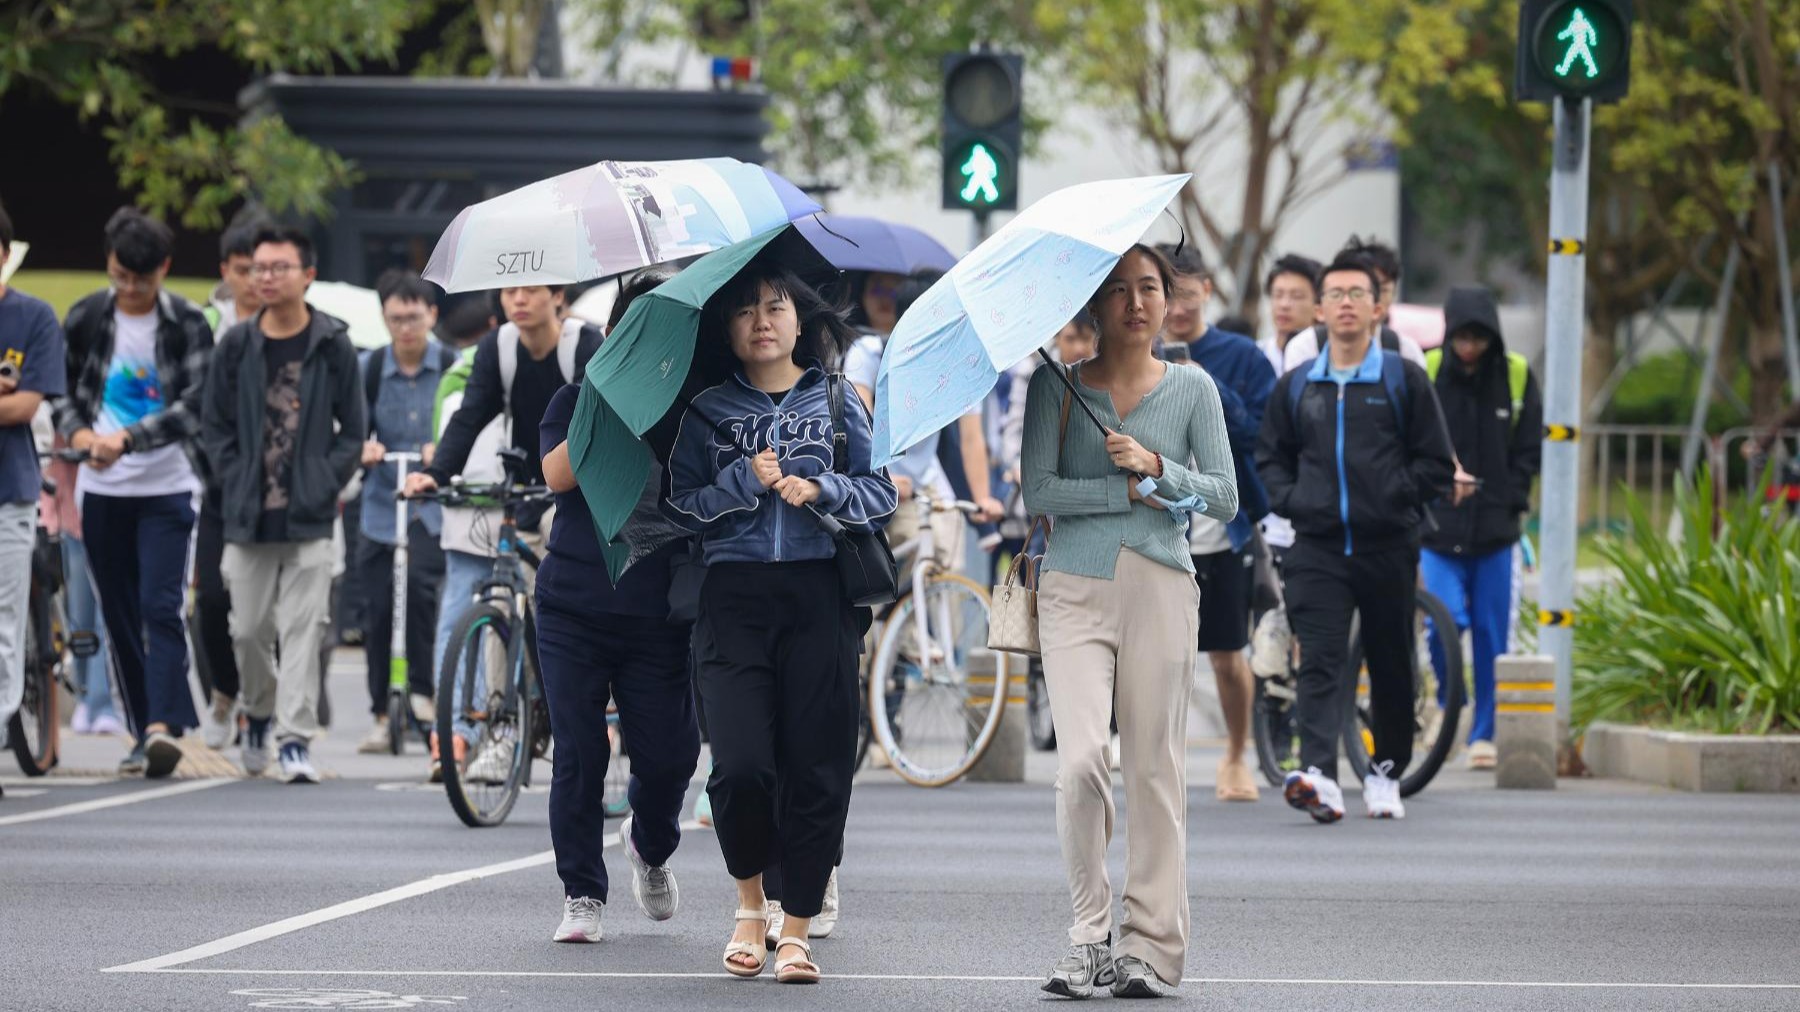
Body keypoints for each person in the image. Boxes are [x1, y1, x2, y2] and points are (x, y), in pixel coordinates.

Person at [668, 265, 896, 984]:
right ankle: (749, 904)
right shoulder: (705, 410)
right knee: (740, 767)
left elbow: (881, 491)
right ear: (728, 328)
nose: (762, 321)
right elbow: (680, 507)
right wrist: (745, 481)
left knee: (818, 765)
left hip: (818, 594)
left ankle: (795, 929)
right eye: (745, 311)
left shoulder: (836, 398)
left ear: (800, 321)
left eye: (776, 307)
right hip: (731, 598)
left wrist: (821, 486)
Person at [1024, 244, 1238, 999]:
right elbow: (1039, 491)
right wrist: (1119, 492)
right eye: (1118, 289)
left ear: (1168, 300)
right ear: (1095, 304)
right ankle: (1089, 937)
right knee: (1082, 761)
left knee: (1154, 770)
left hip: (1162, 588)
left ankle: (1149, 947)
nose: (1136, 302)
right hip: (1073, 588)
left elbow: (1223, 496)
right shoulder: (1055, 386)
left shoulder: (1194, 388)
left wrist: (1157, 467)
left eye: (1149, 287)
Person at [1255, 255, 1456, 822]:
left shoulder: (1403, 378)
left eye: (1357, 294)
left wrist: (1395, 500)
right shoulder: (1299, 384)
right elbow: (1271, 458)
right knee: (1319, 660)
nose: (1346, 303)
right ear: (1319, 311)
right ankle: (1319, 774)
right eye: (1335, 294)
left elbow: (1435, 463)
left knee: (1391, 661)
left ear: (1377, 308)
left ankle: (1385, 772)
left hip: (1388, 545)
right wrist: (1295, 501)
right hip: (1316, 547)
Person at [536, 265, 701, 944]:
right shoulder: (575, 396)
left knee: (670, 758)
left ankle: (650, 846)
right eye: (633, 330)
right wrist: (609, 399)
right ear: (611, 334)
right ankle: (581, 892)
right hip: (571, 608)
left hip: (658, 612)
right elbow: (556, 475)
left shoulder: (690, 406)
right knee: (579, 753)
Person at [404, 284, 603, 781]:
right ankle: (502, 729)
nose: (519, 300)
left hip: (579, 495)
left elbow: (599, 421)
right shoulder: (499, 347)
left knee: (570, 602)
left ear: (557, 295)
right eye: (511, 290)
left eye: (531, 290)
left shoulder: (584, 344)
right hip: (523, 493)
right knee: (503, 602)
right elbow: (472, 413)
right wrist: (436, 473)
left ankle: (592, 713)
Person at [202, 227, 365, 784]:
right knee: (247, 630)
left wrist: (323, 481)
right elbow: (214, 426)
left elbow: (354, 431)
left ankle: (294, 739)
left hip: (310, 515)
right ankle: (257, 711)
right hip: (247, 514)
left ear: (307, 275)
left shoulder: (333, 343)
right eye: (258, 268)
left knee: (302, 630)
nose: (265, 277)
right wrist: (232, 478)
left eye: (278, 267)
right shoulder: (236, 345)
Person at [58, 207, 211, 777]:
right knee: (117, 614)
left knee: (159, 606)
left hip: (168, 486)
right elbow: (62, 391)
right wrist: (80, 435)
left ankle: (162, 726)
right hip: (102, 490)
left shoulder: (187, 322)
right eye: (120, 275)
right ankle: (142, 729)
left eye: (140, 280)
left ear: (163, 269)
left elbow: (196, 405)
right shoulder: (87, 316)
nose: (128, 288)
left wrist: (127, 439)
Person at [1161, 246, 1277, 804]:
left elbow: (1263, 434)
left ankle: (1235, 753)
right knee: (1157, 653)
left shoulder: (1242, 357)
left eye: (1188, 295)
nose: (1179, 309)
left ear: (1207, 290)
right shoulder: (1140, 353)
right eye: (1169, 296)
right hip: (1160, 523)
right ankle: (1159, 757)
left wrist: (1206, 383)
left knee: (1229, 653)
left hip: (1223, 526)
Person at [1421, 286, 1542, 771]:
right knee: (1443, 623)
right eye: (1462, 338)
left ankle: (1484, 733)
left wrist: (1510, 497)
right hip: (1438, 530)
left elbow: (1529, 448)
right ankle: (1453, 704)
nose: (1469, 347)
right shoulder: (1428, 369)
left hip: (1496, 533)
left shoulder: (1516, 374)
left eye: (1479, 338)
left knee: (1493, 635)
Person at [354, 271, 455, 753]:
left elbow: (469, 420)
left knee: (419, 591)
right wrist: (363, 448)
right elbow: (348, 426)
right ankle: (380, 711)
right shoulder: (369, 367)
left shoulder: (453, 365)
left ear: (432, 315)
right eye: (396, 319)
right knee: (376, 609)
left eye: (414, 317)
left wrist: (444, 450)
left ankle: (423, 693)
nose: (405, 328)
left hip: (431, 509)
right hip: (382, 504)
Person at [0, 201, 67, 793]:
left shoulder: (33, 317)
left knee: (4, 620)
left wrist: (13, 397)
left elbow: (25, 406)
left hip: (10, 492)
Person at [194, 215, 267, 750]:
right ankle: (224, 691)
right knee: (213, 601)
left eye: (263, 268)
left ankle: (263, 713)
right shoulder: (203, 326)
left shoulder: (296, 325)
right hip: (218, 486)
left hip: (279, 490)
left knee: (269, 614)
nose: (255, 280)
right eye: (244, 269)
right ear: (227, 271)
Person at [1282, 236, 1428, 373]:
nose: (1375, 298)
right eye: (1356, 291)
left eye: (1382, 290)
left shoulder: (1406, 351)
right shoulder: (1305, 348)